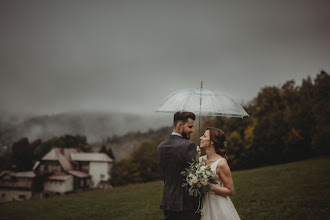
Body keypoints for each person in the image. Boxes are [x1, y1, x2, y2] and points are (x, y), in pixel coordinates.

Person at [157, 111, 201, 220]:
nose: (193, 130)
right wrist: (198, 159)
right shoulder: (188, 146)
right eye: (190, 127)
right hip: (186, 204)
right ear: (180, 125)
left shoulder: (161, 147)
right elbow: (197, 175)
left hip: (168, 202)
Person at [199, 127, 241, 220]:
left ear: (212, 141)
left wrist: (211, 187)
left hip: (218, 205)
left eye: (204, 136)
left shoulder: (221, 163)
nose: (200, 138)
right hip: (202, 204)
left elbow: (230, 191)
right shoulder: (200, 160)